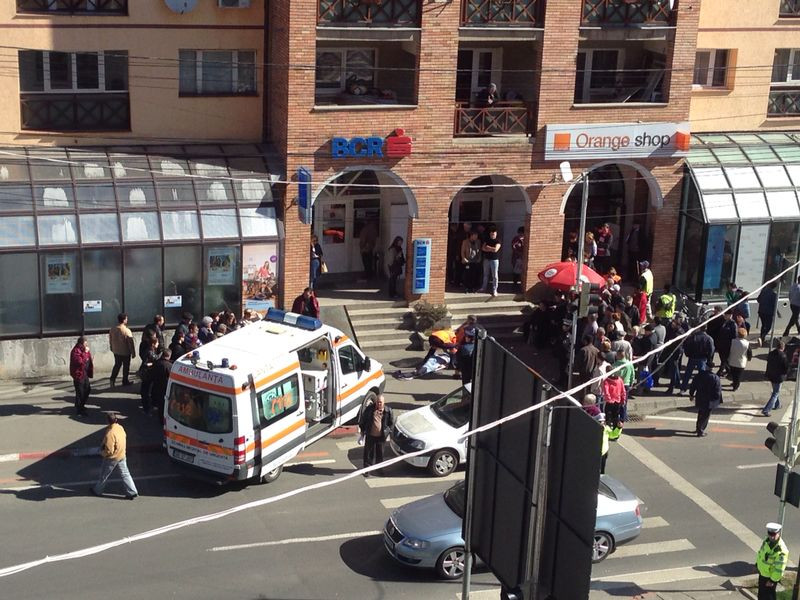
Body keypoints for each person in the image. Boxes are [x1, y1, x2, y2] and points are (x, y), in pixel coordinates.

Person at [90, 412, 138, 500]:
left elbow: (109, 451)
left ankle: (98, 490)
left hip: (112, 458)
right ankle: (132, 491)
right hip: (122, 454)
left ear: (107, 421)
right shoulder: (120, 428)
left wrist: (102, 453)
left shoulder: (110, 433)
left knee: (104, 475)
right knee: (125, 474)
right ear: (116, 420)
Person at [358, 395, 394, 476]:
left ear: (384, 403)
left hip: (381, 437)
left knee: (380, 454)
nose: (379, 404)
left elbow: (391, 424)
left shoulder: (388, 411)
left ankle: (379, 470)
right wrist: (362, 431)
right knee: (368, 454)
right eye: (377, 402)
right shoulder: (370, 409)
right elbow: (363, 420)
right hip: (370, 436)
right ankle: (367, 470)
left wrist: (387, 432)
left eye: (380, 402)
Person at [756, 522, 788, 600]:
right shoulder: (767, 541)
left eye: (773, 534)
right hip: (763, 574)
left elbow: (779, 569)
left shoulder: (781, 551)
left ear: (778, 533)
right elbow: (761, 554)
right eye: (770, 534)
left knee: (769, 597)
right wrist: (757, 564)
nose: (771, 537)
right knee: (761, 596)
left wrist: (772, 580)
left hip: (770, 578)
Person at [689, 364, 722, 437]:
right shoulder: (715, 377)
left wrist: (691, 394)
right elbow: (717, 390)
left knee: (700, 413)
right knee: (705, 416)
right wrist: (717, 399)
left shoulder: (699, 375)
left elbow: (693, 385)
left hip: (700, 397)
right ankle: (700, 430)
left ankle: (698, 427)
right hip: (710, 400)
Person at [680, 326, 715, 394]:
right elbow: (711, 350)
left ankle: (683, 389)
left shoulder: (693, 337)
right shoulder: (709, 338)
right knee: (702, 375)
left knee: (687, 374)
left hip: (692, 357)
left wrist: (688, 354)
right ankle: (702, 390)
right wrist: (708, 358)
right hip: (702, 358)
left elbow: (687, 346)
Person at [109, 312, 135, 388]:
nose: (127, 320)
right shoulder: (126, 330)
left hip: (116, 351)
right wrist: (133, 352)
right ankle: (125, 380)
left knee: (117, 365)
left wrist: (112, 347)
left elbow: (110, 340)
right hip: (125, 351)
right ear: (124, 320)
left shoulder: (112, 329)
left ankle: (112, 380)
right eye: (126, 319)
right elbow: (130, 343)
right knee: (126, 367)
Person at [763, 339, 789, 417]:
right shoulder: (783, 356)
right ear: (783, 348)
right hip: (778, 377)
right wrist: (786, 375)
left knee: (776, 391)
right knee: (775, 393)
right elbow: (786, 367)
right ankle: (766, 410)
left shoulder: (771, 353)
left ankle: (777, 405)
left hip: (771, 375)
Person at [69, 336, 93, 416]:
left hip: (84, 373)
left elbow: (88, 358)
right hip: (78, 374)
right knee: (80, 392)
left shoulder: (84, 349)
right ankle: (80, 409)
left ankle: (80, 405)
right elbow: (80, 362)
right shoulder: (76, 351)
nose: (87, 344)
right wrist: (85, 353)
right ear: (81, 343)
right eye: (85, 343)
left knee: (87, 389)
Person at [150, 348, 173, 423]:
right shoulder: (169, 366)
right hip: (165, 387)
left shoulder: (157, 362)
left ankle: (161, 419)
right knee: (165, 404)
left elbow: (152, 373)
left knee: (160, 404)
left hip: (157, 385)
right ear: (169, 356)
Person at [602, 372, 626, 440]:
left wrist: (608, 399)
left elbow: (606, 391)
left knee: (608, 418)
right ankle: (616, 434)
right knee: (616, 418)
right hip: (617, 402)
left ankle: (608, 434)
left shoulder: (606, 381)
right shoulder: (620, 380)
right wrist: (623, 400)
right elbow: (623, 391)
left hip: (610, 403)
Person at [480, 226, 502, 296]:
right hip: (487, 259)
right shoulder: (487, 239)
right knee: (485, 274)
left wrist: (488, 247)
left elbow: (496, 250)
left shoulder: (498, 240)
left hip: (494, 260)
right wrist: (491, 249)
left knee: (495, 275)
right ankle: (483, 288)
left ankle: (495, 289)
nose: (493, 235)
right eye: (492, 234)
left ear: (496, 233)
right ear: (490, 234)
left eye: (494, 234)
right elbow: (483, 248)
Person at [716, 311, 738, 377]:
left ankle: (719, 373)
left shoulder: (733, 324)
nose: (725, 316)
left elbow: (734, 335)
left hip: (727, 345)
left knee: (724, 360)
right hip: (721, 344)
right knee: (723, 359)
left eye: (726, 315)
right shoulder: (724, 322)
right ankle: (729, 371)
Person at [728, 327, 750, 391]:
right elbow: (749, 353)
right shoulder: (746, 343)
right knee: (738, 376)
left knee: (734, 374)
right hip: (741, 362)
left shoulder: (733, 341)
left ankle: (734, 383)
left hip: (732, 360)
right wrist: (749, 358)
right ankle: (736, 386)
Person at [758, 282, 778, 346]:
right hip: (768, 312)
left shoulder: (763, 291)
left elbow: (758, 299)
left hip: (761, 311)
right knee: (768, 326)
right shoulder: (773, 294)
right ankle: (762, 337)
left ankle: (761, 339)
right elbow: (774, 304)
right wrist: (777, 312)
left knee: (763, 325)